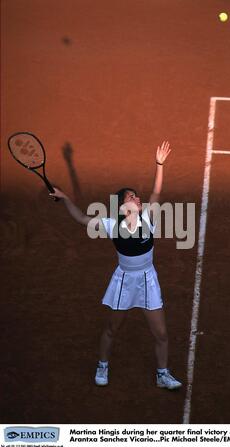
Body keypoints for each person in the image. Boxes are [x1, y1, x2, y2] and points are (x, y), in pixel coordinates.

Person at [50, 141, 182, 390]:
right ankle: (102, 364)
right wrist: (65, 197)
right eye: (132, 196)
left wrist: (159, 164)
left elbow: (156, 192)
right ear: (122, 206)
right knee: (112, 328)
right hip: (124, 281)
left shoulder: (147, 217)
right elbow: (81, 218)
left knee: (161, 334)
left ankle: (162, 374)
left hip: (147, 280)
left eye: (136, 195)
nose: (138, 198)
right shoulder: (111, 225)